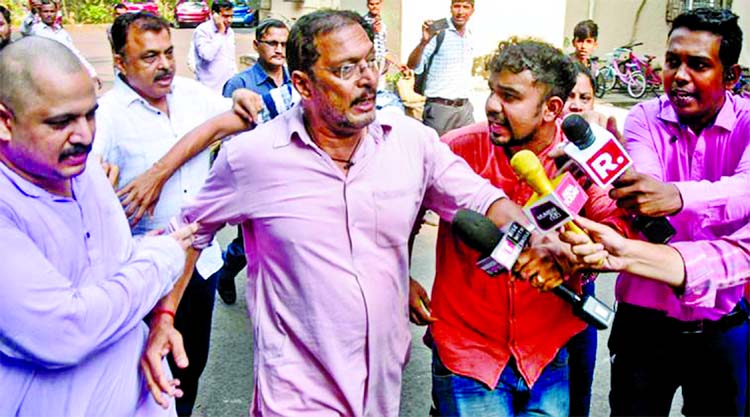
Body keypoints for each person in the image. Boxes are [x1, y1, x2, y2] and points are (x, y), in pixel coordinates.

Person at [141, 9, 548, 416]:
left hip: (382, 390)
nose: (368, 78)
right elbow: (189, 231)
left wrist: (537, 238)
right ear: (302, 83)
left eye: (369, 61)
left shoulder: (412, 142)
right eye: (346, 68)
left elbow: (484, 201)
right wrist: (164, 317)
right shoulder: (253, 157)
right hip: (295, 396)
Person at [407, 39, 630, 417]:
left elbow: (615, 224)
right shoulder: (454, 150)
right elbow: (400, 215)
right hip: (468, 353)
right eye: (493, 91)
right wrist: (402, 276)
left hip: (548, 352)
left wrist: (582, 257)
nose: (493, 105)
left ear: (552, 109)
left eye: (509, 96)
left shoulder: (579, 157)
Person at [0, 36, 196, 417]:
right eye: (61, 122)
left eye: (89, 114)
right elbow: (64, 331)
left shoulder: (83, 169)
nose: (85, 136)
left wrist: (160, 318)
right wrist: (162, 259)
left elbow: (115, 271)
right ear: (5, 122)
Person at [92, 12, 257, 417]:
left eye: (168, 53)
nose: (164, 65)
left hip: (199, 266)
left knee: (190, 366)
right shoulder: (105, 115)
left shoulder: (193, 95)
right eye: (149, 57)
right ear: (119, 62)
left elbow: (238, 117)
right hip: (140, 270)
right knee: (143, 374)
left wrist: (242, 99)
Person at [606, 8, 749, 416]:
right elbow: (646, 193)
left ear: (731, 76)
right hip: (644, 322)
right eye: (673, 61)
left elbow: (747, 189)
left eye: (699, 65)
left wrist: (679, 196)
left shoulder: (748, 123)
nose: (680, 76)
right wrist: (658, 197)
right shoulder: (643, 118)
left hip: (723, 322)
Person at [216, 18, 293, 304]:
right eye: (272, 43)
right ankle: (228, 269)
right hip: (254, 174)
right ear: (257, 45)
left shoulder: (294, 79)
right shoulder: (240, 84)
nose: (279, 50)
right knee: (251, 238)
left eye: (284, 44)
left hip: (291, 172)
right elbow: (228, 134)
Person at [559, 61, 598, 417]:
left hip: (584, 290)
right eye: (569, 96)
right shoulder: (535, 151)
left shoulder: (602, 154)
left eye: (584, 97)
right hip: (540, 293)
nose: (576, 105)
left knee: (579, 389)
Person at [407, 0, 475, 136]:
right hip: (440, 110)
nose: (460, 12)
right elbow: (412, 65)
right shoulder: (437, 29)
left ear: (472, 10)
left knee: (468, 151)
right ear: (451, 8)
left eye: (465, 7)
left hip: (465, 109)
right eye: (457, 6)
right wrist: (423, 42)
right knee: (436, 153)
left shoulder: (470, 34)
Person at [29, 0, 101, 89]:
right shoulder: (35, 30)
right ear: (40, 13)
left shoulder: (61, 32)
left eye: (52, 11)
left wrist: (91, 72)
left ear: (56, 12)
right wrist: (32, 12)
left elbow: (74, 52)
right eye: (45, 11)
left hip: (65, 77)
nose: (49, 14)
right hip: (45, 79)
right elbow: (25, 28)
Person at [361, 0, 406, 113]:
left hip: (381, 67)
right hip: (369, 64)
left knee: (381, 97)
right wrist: (371, 31)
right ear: (367, 5)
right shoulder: (363, 22)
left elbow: (383, 49)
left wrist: (399, 64)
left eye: (377, 4)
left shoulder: (383, 23)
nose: (374, 7)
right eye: (372, 4)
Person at [193, 0, 236, 91]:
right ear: (214, 14)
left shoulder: (230, 32)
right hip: (208, 89)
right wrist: (220, 32)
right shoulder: (202, 31)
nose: (230, 20)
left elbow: (230, 59)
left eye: (232, 16)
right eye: (226, 16)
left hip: (227, 88)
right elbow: (207, 55)